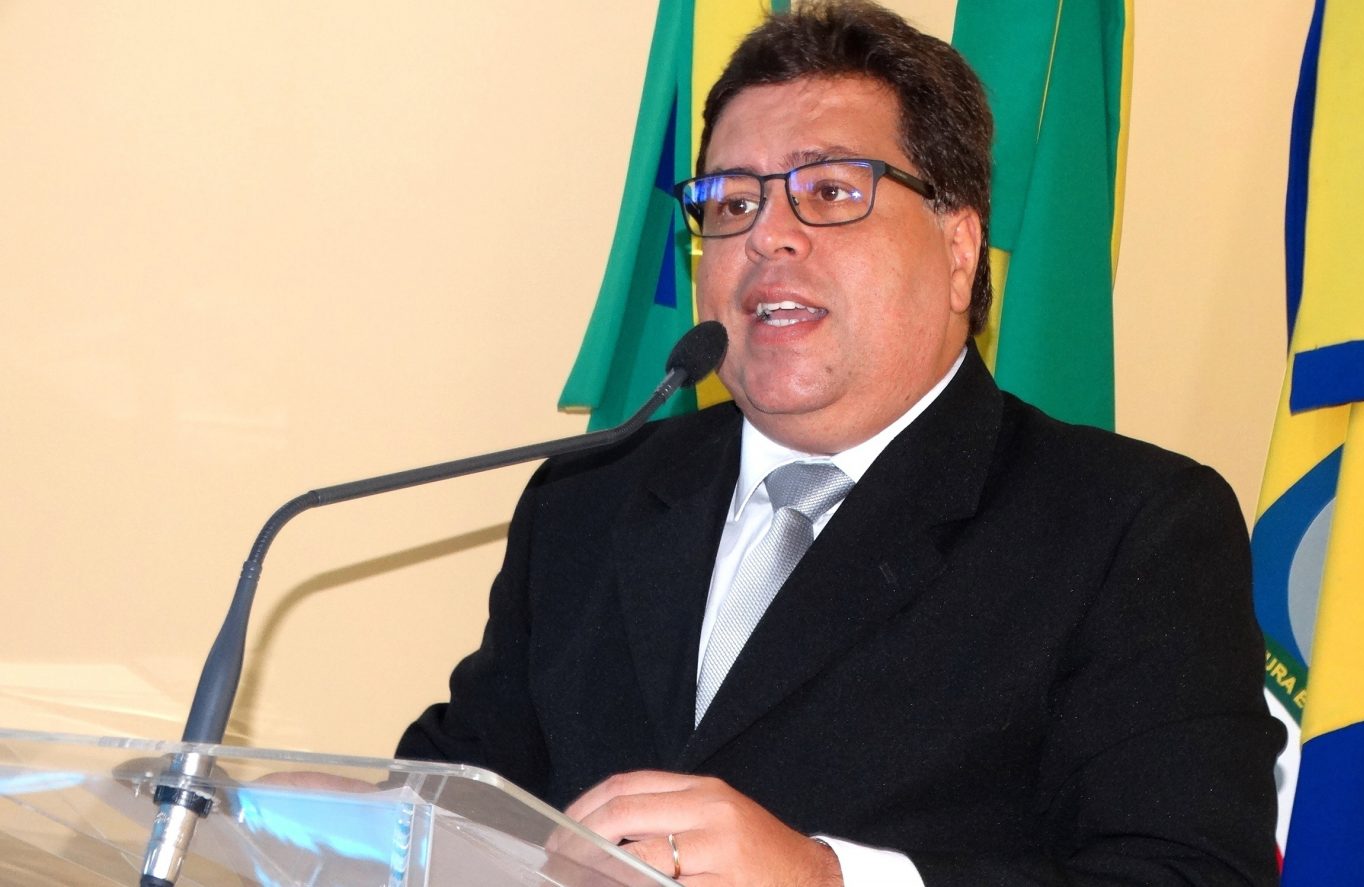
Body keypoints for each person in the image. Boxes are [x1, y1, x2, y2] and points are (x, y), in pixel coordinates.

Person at [398, 2, 1283, 885]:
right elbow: (448, 809)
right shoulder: (587, 502)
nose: (767, 235)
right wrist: (340, 822)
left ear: (959, 250)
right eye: (732, 201)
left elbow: (1191, 873)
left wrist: (829, 879)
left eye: (828, 192)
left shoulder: (1128, 526)